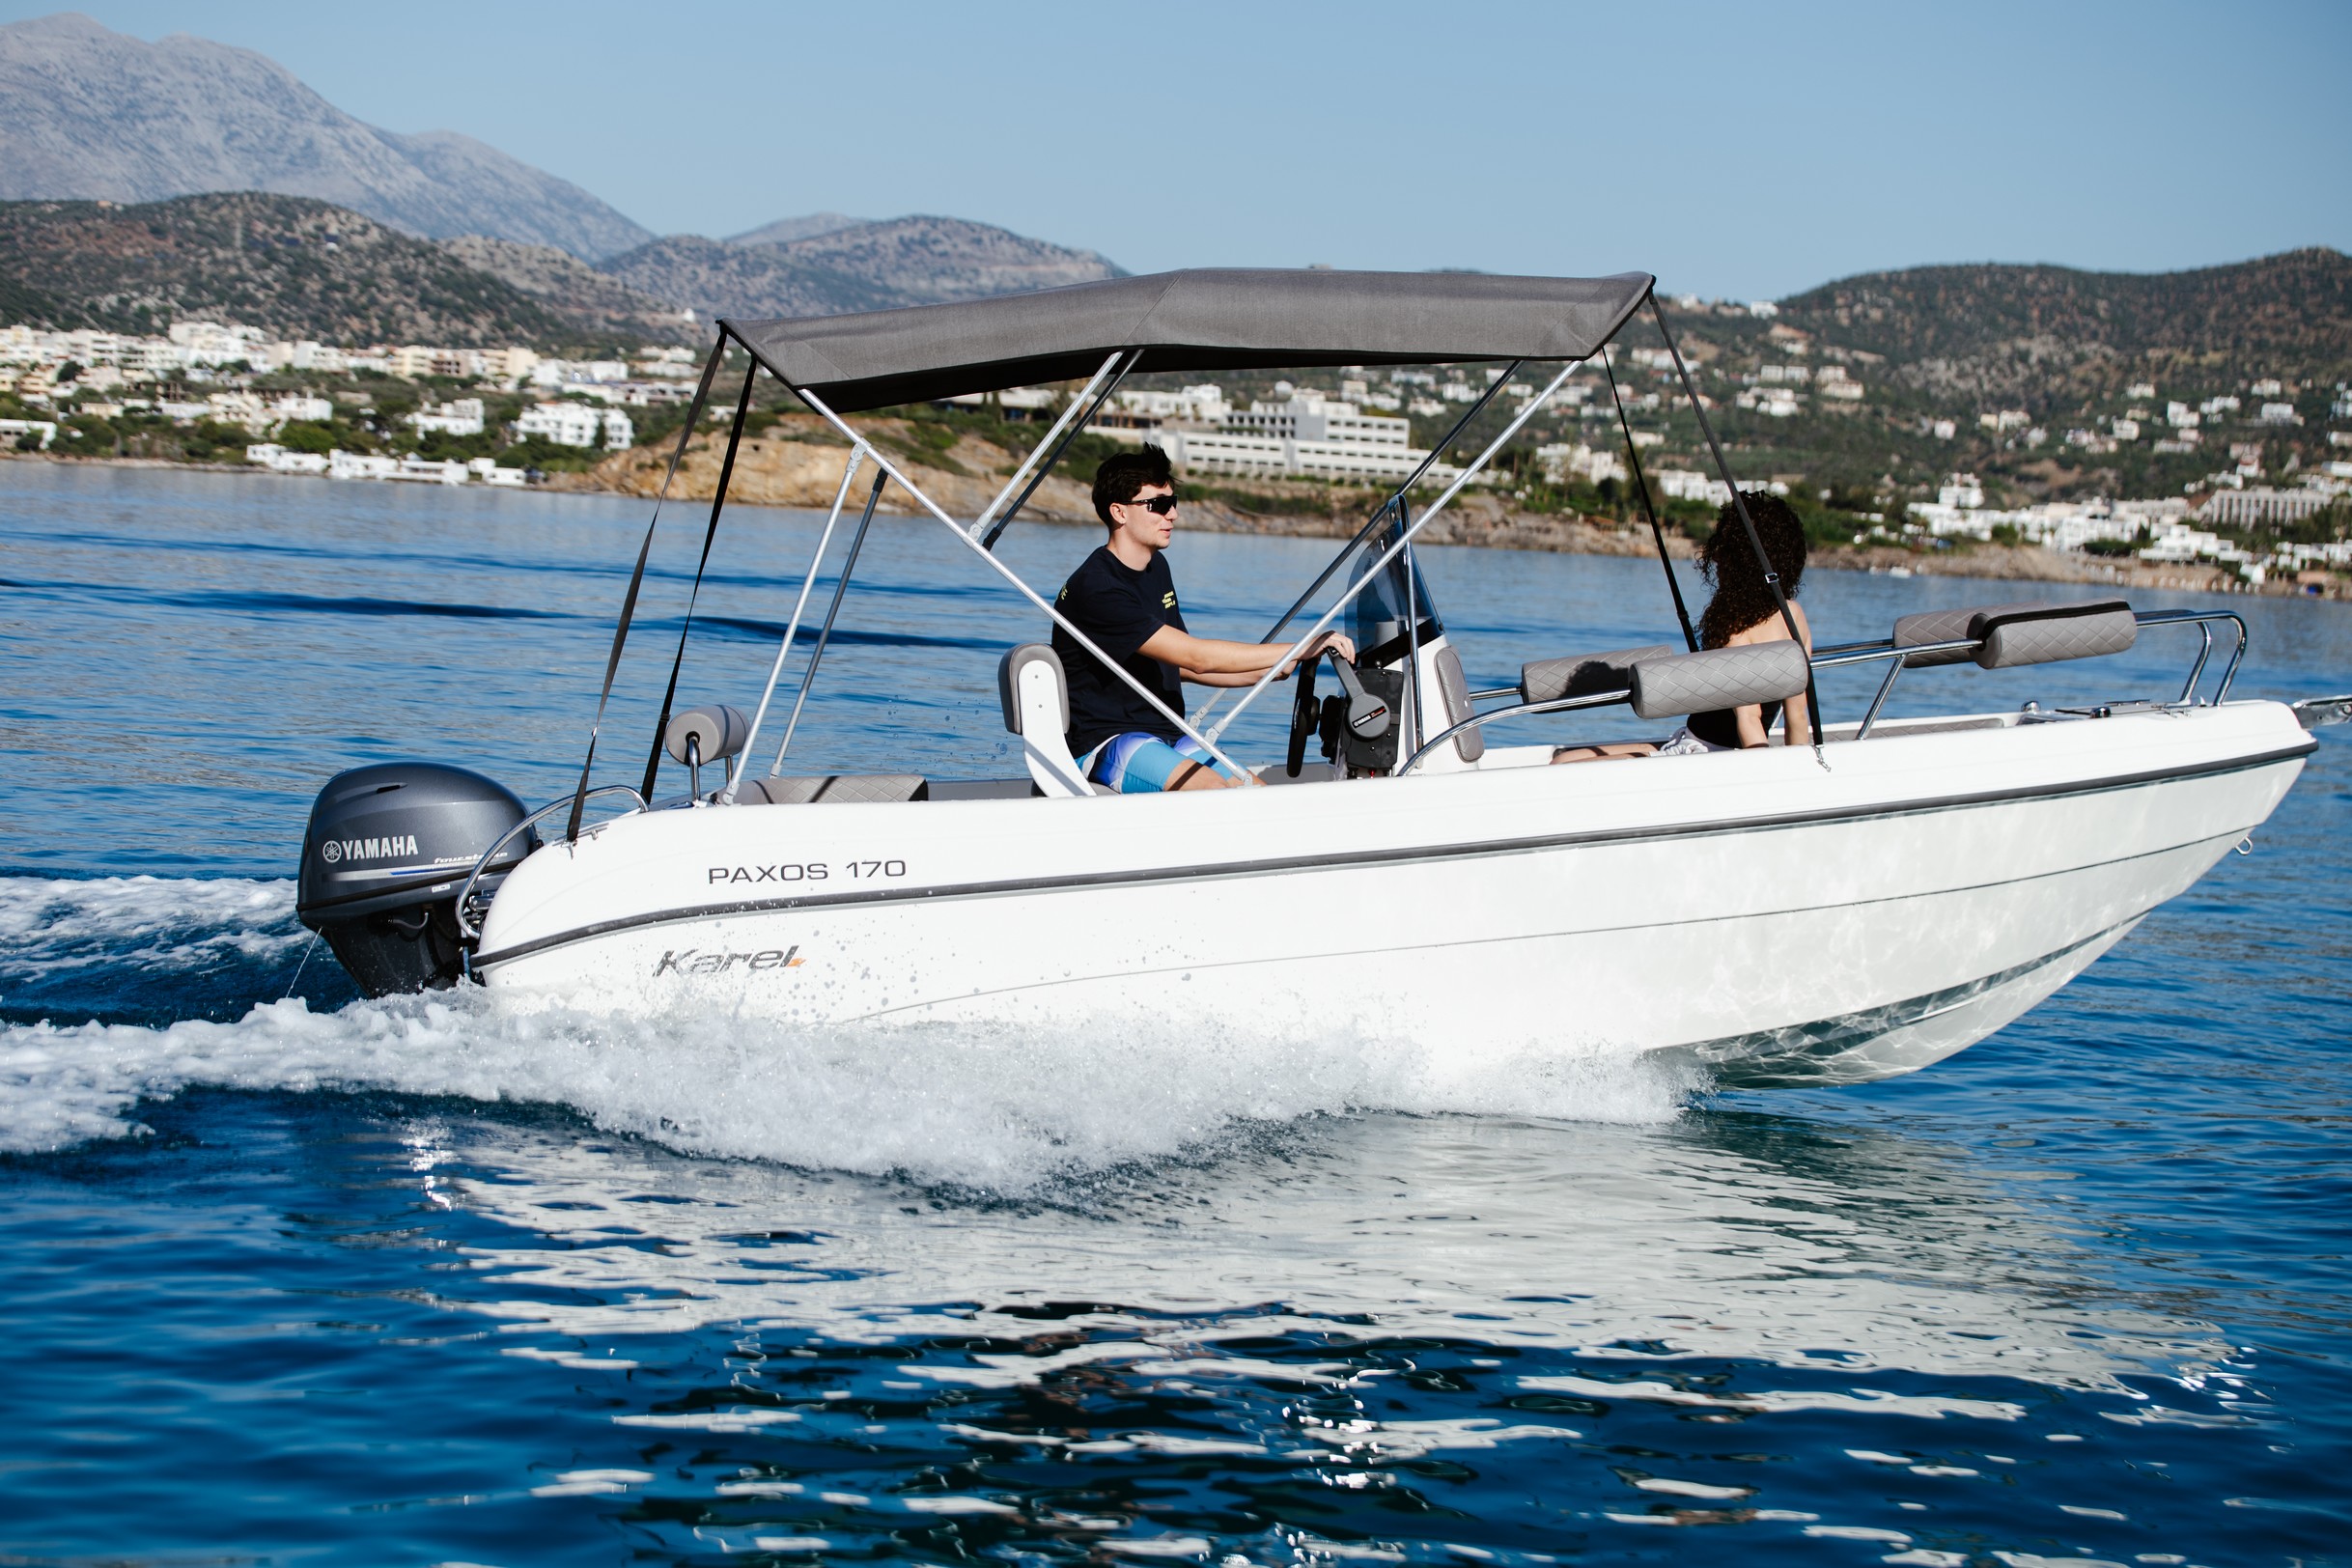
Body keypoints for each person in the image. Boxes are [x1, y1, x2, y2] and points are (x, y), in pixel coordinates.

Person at [1052, 446, 1355, 792]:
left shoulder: (1155, 568)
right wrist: (1299, 648)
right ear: (1119, 512)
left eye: (1174, 502)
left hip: (1163, 732)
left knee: (1257, 792)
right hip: (1103, 740)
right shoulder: (1097, 587)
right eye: (1159, 505)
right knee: (1211, 791)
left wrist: (1269, 670)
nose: (1173, 515)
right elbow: (1195, 655)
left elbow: (1181, 667)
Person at [1552, 491, 1812, 762]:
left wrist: (1766, 777)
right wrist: (1799, 769)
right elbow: (1797, 713)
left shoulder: (1736, 629)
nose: (1716, 559)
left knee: (1562, 764)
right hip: (1697, 743)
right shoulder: (1794, 616)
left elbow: (1749, 719)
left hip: (1704, 754)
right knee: (1564, 758)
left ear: (1737, 560)